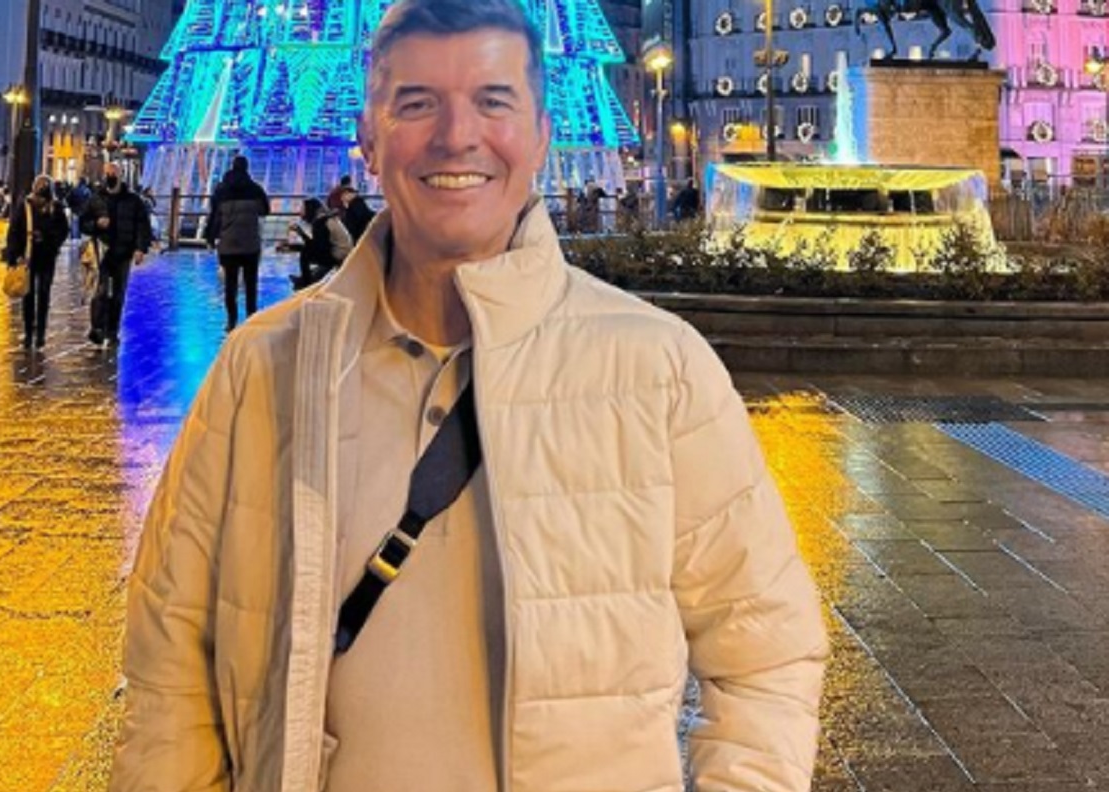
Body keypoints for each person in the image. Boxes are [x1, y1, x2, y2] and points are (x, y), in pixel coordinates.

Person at [109, 1, 827, 791]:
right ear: (369, 140)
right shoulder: (260, 370)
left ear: (542, 135)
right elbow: (170, 663)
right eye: (417, 103)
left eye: (493, 100)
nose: (457, 136)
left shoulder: (659, 369)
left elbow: (767, 650)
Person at [80, 162, 152, 347]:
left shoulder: (133, 201)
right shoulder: (96, 199)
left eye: (113, 173)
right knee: (101, 291)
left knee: (118, 294)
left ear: (120, 176)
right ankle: (98, 328)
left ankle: (112, 332)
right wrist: (96, 225)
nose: (110, 177)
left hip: (123, 251)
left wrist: (140, 248)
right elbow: (83, 223)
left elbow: (142, 225)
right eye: (107, 173)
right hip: (101, 251)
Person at [5, 175, 71, 350]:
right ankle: (28, 332)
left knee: (44, 293)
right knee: (28, 294)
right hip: (28, 257)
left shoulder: (56, 208)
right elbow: (14, 231)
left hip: (47, 256)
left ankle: (40, 333)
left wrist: (48, 239)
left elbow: (63, 230)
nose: (40, 200)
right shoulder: (25, 206)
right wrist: (15, 255)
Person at [206, 156, 271, 331]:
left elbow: (214, 216)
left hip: (228, 244)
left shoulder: (221, 190)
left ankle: (231, 320)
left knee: (230, 284)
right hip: (250, 243)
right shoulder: (255, 189)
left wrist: (210, 238)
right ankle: (251, 318)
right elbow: (265, 210)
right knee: (251, 284)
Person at [288, 197, 353, 290]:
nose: (300, 212)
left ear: (310, 209)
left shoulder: (320, 222)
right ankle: (303, 279)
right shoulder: (325, 219)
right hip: (342, 251)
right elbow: (318, 244)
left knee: (305, 254)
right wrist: (300, 233)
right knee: (309, 251)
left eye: (303, 208)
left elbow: (319, 247)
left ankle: (306, 283)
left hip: (340, 254)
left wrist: (297, 246)